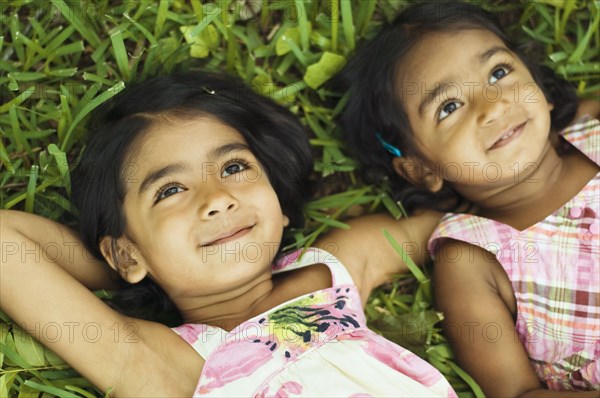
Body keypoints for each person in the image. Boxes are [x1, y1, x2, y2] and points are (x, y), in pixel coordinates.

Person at [0, 71, 456, 397]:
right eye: (171, 189)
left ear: (279, 205)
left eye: (234, 167)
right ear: (126, 254)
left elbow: (450, 217)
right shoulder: (159, 364)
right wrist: (127, 264)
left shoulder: (327, 274)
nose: (217, 198)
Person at [341, 1, 599, 396]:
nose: (492, 105)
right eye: (449, 107)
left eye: (499, 73)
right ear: (421, 168)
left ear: (541, 88)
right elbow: (515, 393)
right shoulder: (470, 258)